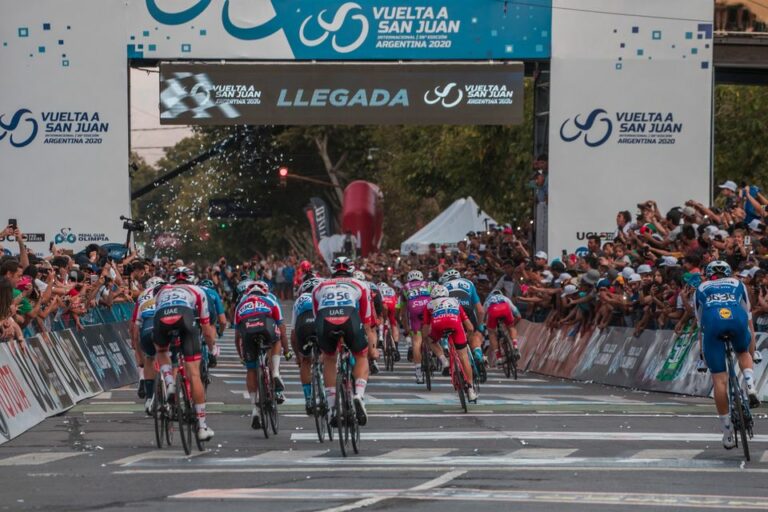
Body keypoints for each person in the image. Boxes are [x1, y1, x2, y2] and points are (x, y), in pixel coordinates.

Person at [695, 260, 760, 450]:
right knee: (742, 351)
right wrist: (752, 350)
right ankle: (750, 384)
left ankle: (727, 433)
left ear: (708, 274)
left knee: (719, 380)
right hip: (737, 321)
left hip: (713, 324)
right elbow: (749, 321)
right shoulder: (738, 284)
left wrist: (703, 357)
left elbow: (701, 328)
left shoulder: (700, 288)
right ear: (729, 273)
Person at [153, 267, 218, 441]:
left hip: (162, 318)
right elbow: (206, 328)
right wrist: (212, 349)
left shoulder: (162, 291)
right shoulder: (197, 290)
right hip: (185, 317)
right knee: (194, 374)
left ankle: (170, 383)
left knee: (161, 350)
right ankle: (202, 426)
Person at [312, 256, 374, 426]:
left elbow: (316, 316)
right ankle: (359, 395)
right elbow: (367, 321)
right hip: (349, 318)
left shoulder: (319, 286)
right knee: (361, 356)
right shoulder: (361, 284)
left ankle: (332, 408)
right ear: (352, 270)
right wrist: (370, 345)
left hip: (325, 319)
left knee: (330, 358)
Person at [234, 280, 288, 429]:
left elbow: (237, 337)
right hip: (266, 329)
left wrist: (242, 356)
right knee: (275, 340)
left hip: (248, 333)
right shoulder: (270, 299)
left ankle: (254, 409)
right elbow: (281, 327)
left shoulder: (240, 304)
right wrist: (287, 349)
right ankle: (275, 372)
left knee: (251, 369)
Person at [422, 284, 477, 402]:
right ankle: (471, 389)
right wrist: (468, 338)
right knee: (463, 357)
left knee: (431, 341)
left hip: (438, 325)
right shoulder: (455, 302)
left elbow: (426, 329)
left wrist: (425, 338)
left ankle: (444, 361)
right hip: (455, 325)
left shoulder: (429, 305)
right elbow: (470, 327)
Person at [130, 276, 165, 414]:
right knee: (172, 357)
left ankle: (150, 398)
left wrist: (138, 351)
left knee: (149, 358)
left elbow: (135, 326)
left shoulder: (143, 295)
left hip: (147, 328)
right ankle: (174, 392)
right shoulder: (171, 291)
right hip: (166, 324)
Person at [440, 268, 486, 372]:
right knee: (474, 334)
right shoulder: (469, 283)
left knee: (453, 336)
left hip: (451, 311)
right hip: (467, 310)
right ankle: (478, 353)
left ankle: (455, 355)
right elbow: (480, 311)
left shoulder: (442, 287)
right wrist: (480, 326)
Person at [291, 277, 322, 415]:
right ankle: (328, 396)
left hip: (303, 326)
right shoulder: (324, 293)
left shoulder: (300, 299)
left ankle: (308, 399)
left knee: (306, 361)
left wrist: (298, 356)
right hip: (320, 322)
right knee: (329, 358)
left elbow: (293, 334)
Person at [399, 269, 433, 384]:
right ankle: (434, 353)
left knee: (416, 342)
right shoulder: (427, 284)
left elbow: (403, 312)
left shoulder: (405, 287)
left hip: (414, 313)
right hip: (427, 309)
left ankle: (418, 372)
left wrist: (406, 327)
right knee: (430, 336)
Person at [483, 289, 522, 367]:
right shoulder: (505, 298)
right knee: (511, 327)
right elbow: (519, 316)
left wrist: (487, 326)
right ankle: (515, 348)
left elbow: (483, 318)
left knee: (491, 333)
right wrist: (511, 325)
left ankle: (499, 358)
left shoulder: (488, 301)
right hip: (505, 308)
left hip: (493, 310)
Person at [354, 270, 381, 375]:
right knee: (371, 329)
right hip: (366, 311)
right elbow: (375, 304)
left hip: (351, 314)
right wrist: (378, 317)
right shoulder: (368, 286)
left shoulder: (348, 284)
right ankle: (373, 355)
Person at [377, 281, 401, 361]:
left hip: (383, 304)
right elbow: (396, 301)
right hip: (392, 304)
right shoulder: (391, 289)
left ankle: (380, 338)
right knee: (394, 323)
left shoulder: (377, 289)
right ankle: (396, 347)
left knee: (381, 318)